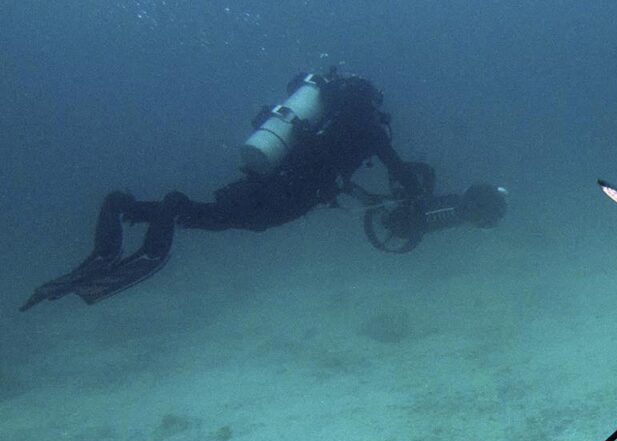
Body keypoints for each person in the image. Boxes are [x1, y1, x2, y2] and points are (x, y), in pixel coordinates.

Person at [21, 67, 507, 312]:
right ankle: (158, 214)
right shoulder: (365, 126)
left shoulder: (323, 122)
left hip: (268, 177)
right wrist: (413, 192)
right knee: (230, 218)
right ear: (367, 101)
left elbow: (339, 170)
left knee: (217, 213)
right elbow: (399, 172)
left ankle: (126, 209)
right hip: (286, 195)